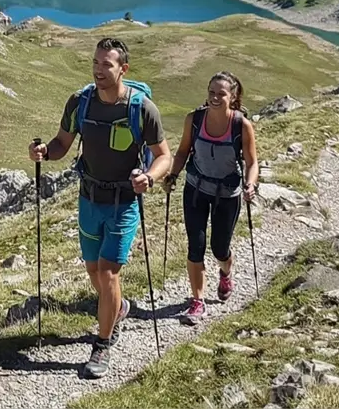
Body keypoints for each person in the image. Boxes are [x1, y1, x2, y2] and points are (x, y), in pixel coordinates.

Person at [29, 37, 171, 379]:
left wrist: (149, 178)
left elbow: (165, 156)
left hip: (124, 203)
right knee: (94, 271)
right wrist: (44, 153)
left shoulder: (141, 108)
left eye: (106, 65)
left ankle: (103, 343)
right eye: (95, 63)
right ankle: (118, 307)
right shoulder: (81, 102)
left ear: (123, 69)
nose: (98, 70)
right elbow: (63, 143)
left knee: (108, 273)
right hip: (89, 199)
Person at [163, 71, 258, 325]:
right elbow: (183, 151)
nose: (215, 98)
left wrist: (250, 184)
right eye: (211, 93)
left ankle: (226, 272)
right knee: (196, 245)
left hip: (227, 195)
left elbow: (251, 161)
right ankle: (198, 301)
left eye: (222, 94)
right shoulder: (194, 119)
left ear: (233, 96)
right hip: (195, 189)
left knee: (219, 247)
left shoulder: (241, 125)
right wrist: (173, 175)